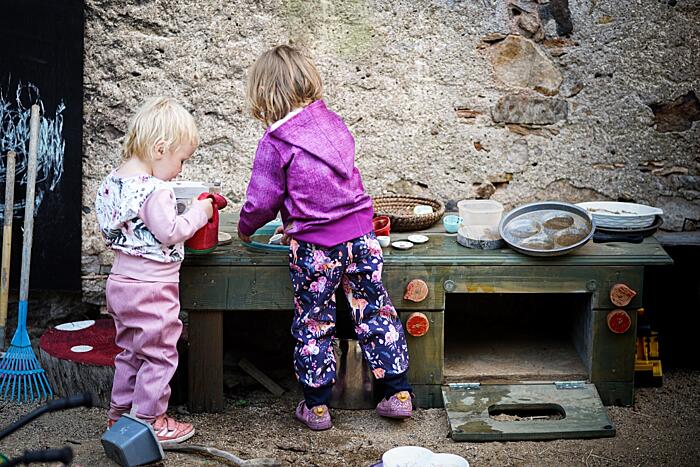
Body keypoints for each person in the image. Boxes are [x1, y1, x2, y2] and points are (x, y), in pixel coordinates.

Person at [238, 45, 413, 431]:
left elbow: (261, 200)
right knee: (374, 310)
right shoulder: (333, 123)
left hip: (316, 249)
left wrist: (246, 228)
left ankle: (317, 406)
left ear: (264, 93)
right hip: (362, 237)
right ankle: (398, 392)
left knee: (315, 321)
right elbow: (333, 184)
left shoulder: (276, 140)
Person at [95, 96, 213, 443]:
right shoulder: (155, 190)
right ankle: (150, 421)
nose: (180, 170)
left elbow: (111, 231)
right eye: (180, 160)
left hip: (121, 282)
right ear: (160, 149)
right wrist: (199, 214)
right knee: (160, 355)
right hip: (152, 287)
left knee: (131, 352)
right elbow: (170, 232)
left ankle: (119, 418)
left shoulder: (111, 182)